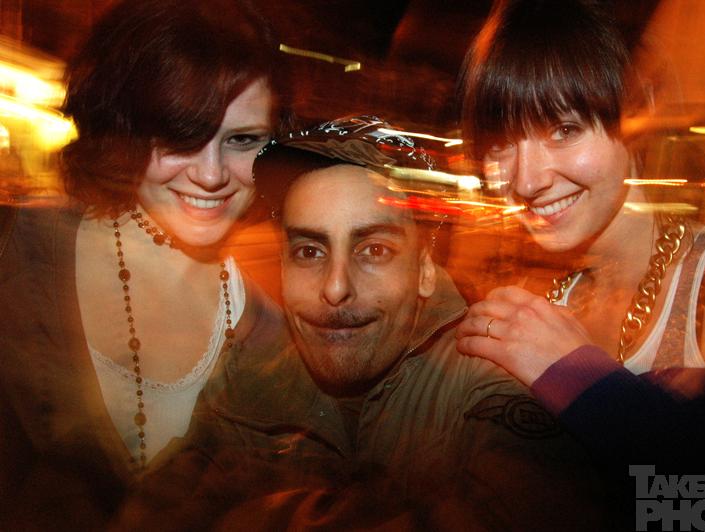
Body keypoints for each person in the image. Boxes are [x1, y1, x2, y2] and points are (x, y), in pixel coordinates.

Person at [119, 117, 608, 530]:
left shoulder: (486, 371)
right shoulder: (252, 373)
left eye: (374, 250)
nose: (335, 288)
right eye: (310, 251)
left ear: (424, 271)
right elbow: (163, 507)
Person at [453, 0, 705, 525]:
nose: (526, 181)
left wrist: (589, 387)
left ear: (634, 117)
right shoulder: (546, 300)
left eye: (564, 129)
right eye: (501, 144)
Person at [0, 0, 288, 526]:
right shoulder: (18, 255)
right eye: (180, 135)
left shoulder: (276, 337)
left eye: (242, 140)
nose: (211, 174)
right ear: (121, 128)